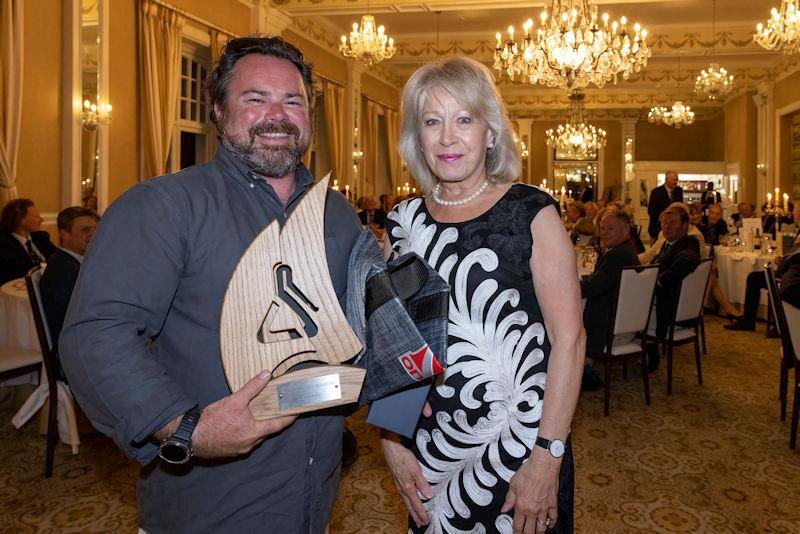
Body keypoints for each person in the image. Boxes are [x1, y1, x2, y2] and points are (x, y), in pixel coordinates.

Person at [59, 36, 362, 532]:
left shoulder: (337, 214)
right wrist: (186, 429)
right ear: (219, 112)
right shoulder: (165, 206)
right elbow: (95, 333)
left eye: (293, 100)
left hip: (314, 495)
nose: (277, 114)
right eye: (255, 98)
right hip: (208, 503)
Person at [381, 57, 583, 534]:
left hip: (523, 449)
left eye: (463, 120)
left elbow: (570, 342)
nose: (447, 137)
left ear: (490, 133)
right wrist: (391, 438)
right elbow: (395, 344)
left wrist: (548, 457)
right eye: (432, 121)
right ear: (417, 137)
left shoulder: (530, 213)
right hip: (432, 444)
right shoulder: (402, 223)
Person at [581, 210, 640, 391]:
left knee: (563, 321)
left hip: (609, 325)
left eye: (610, 228)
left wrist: (563, 286)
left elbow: (593, 287)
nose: (604, 232)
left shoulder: (617, 255)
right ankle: (585, 368)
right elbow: (600, 282)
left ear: (625, 230)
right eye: (603, 228)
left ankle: (582, 372)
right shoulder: (625, 250)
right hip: (625, 322)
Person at [39, 207, 99, 382]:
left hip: (81, 341)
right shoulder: (64, 271)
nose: (94, 234)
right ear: (64, 234)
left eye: (97, 229)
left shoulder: (72, 262)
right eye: (85, 230)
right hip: (73, 355)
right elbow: (87, 316)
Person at [645, 205, 702, 371]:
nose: (667, 226)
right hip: (662, 300)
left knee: (626, 303)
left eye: (672, 222)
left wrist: (659, 280)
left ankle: (644, 350)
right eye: (664, 223)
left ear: (685, 226)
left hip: (670, 307)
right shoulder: (668, 244)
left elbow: (687, 261)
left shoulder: (689, 243)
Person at [0, 198, 56, 284]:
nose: (41, 220)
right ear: (20, 220)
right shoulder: (4, 243)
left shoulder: (41, 237)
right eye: (36, 216)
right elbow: (17, 269)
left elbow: (57, 257)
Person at [639, 202, 705, 265]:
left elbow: (689, 265)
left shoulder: (694, 236)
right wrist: (633, 261)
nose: (667, 227)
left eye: (673, 222)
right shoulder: (663, 233)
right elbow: (650, 253)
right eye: (665, 222)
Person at [647, 170, 683, 242]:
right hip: (657, 228)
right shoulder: (656, 192)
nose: (676, 182)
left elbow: (681, 208)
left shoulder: (679, 191)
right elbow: (651, 211)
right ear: (666, 179)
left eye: (677, 180)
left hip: (674, 230)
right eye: (674, 180)